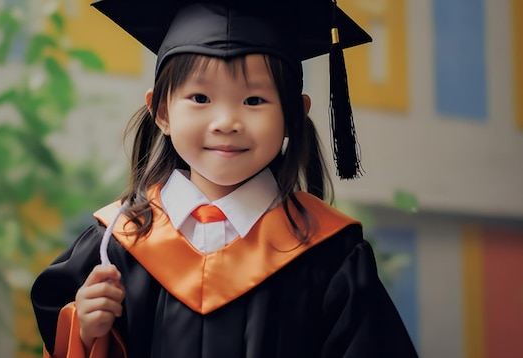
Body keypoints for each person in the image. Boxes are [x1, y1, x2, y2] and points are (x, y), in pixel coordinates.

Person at [31, 0, 418, 357]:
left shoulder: (329, 256)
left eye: (254, 101)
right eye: (200, 98)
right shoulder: (119, 243)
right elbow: (65, 338)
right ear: (161, 111)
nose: (226, 123)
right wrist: (83, 331)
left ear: (293, 114)